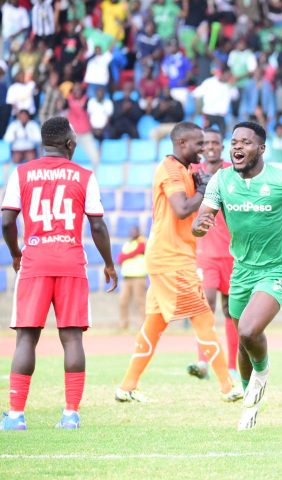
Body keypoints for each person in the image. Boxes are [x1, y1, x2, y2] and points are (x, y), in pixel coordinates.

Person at [191, 121, 282, 430]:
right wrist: (198, 226)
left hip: (277, 270)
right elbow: (202, 217)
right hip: (242, 270)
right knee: (245, 341)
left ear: (261, 149)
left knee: (247, 330)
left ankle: (263, 374)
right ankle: (250, 398)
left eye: (245, 142)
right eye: (234, 142)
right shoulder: (221, 180)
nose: (237, 147)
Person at [1, 116, 118, 431]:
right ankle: (69, 415)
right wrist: (108, 263)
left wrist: (16, 253)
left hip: (35, 263)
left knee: (26, 338)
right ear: (70, 144)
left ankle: (15, 416)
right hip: (70, 263)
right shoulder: (84, 176)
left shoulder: (21, 173)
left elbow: (7, 221)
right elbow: (97, 224)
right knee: (72, 338)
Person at [115, 122, 242, 404]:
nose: (203, 148)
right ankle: (227, 386)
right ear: (182, 143)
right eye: (198, 144)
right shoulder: (170, 169)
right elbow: (182, 208)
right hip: (171, 259)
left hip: (174, 255)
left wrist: (200, 190)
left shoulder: (184, 170)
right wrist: (203, 192)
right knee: (203, 318)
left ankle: (126, 386)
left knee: (155, 324)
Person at [186, 128, 239, 383]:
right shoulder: (194, 174)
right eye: (206, 143)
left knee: (232, 310)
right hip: (205, 252)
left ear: (222, 146)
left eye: (215, 143)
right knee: (205, 303)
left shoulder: (233, 171)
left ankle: (232, 366)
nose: (210, 147)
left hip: (232, 252)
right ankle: (203, 361)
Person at [117, 226, 147, 332]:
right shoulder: (127, 244)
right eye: (131, 231)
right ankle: (123, 325)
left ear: (139, 232)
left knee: (140, 302)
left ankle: (143, 325)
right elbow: (119, 258)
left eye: (135, 231)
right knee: (122, 301)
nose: (133, 232)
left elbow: (138, 251)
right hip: (126, 278)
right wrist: (124, 258)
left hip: (138, 277)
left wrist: (125, 257)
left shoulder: (142, 242)